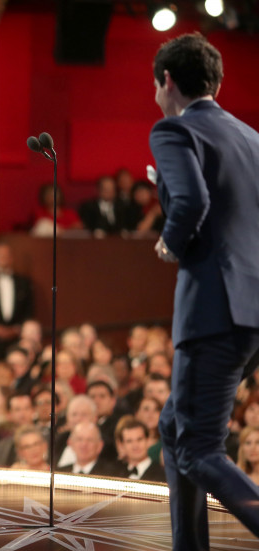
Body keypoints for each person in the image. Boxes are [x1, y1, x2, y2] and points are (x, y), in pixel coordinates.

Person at [149, 34, 259, 550]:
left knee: (197, 448)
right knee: (175, 426)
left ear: (167, 81)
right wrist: (166, 188)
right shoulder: (250, 136)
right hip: (251, 309)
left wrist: (170, 243)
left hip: (215, 310)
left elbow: (192, 202)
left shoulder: (173, 130)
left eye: (156, 87)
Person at [114, 416, 166, 483]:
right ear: (122, 445)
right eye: (129, 441)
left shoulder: (163, 474)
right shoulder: (115, 474)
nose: (135, 445)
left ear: (148, 440)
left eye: (139, 439)